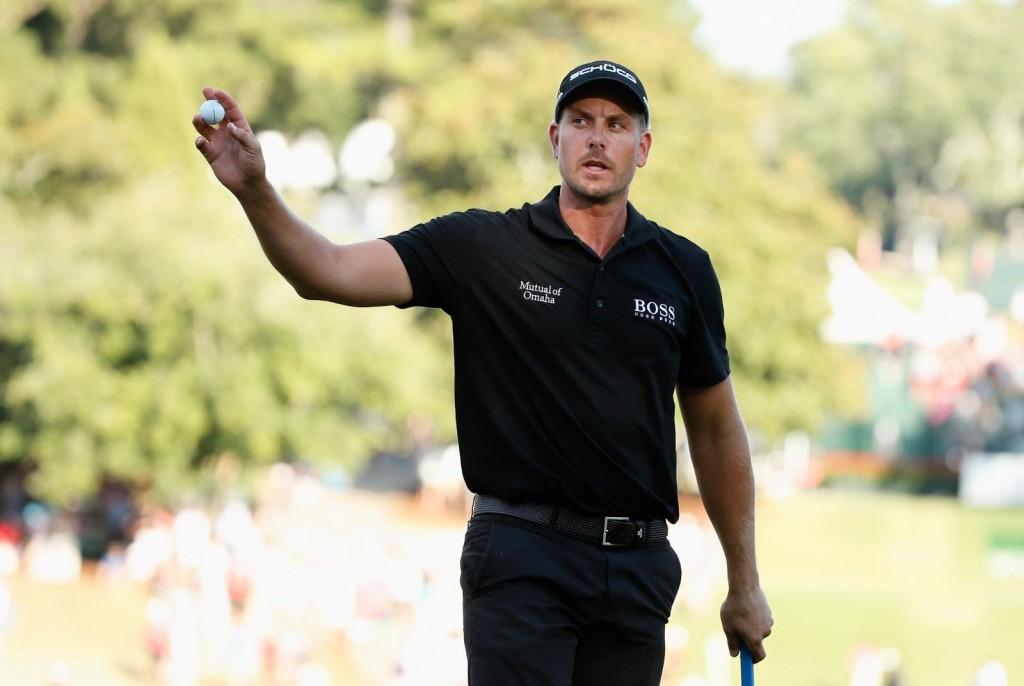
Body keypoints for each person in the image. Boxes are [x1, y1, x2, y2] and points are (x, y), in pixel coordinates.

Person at [193, 59, 773, 685]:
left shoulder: (683, 270)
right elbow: (325, 269)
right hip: (523, 556)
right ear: (556, 140)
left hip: (638, 570)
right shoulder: (483, 247)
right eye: (580, 121)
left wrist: (745, 583)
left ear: (644, 146)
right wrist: (255, 189)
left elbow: (715, 431)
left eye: (616, 123)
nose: (597, 138)